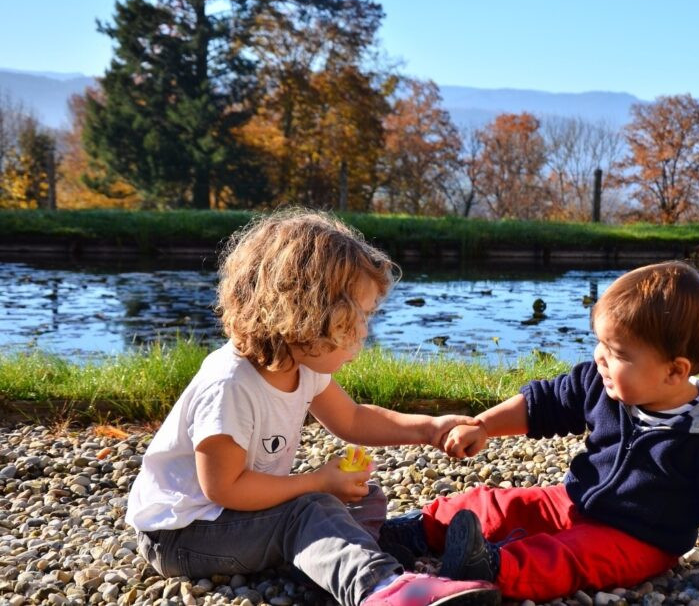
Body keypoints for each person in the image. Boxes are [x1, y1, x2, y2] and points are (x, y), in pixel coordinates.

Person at [126, 210, 499, 606]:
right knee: (311, 509)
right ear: (307, 315)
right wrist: (317, 482)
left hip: (235, 519)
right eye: (357, 319)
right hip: (183, 535)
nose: (364, 332)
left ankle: (376, 563)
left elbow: (353, 418)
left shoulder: (300, 365)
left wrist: (428, 428)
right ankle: (381, 589)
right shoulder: (229, 385)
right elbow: (225, 488)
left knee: (362, 499)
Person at [378, 261, 699, 605]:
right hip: (573, 498)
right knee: (501, 504)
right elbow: (542, 404)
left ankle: (493, 568)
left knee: (570, 556)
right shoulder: (602, 383)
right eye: (600, 343)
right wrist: (484, 425)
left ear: (674, 372)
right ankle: (421, 529)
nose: (600, 357)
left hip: (639, 539)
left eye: (617, 353)